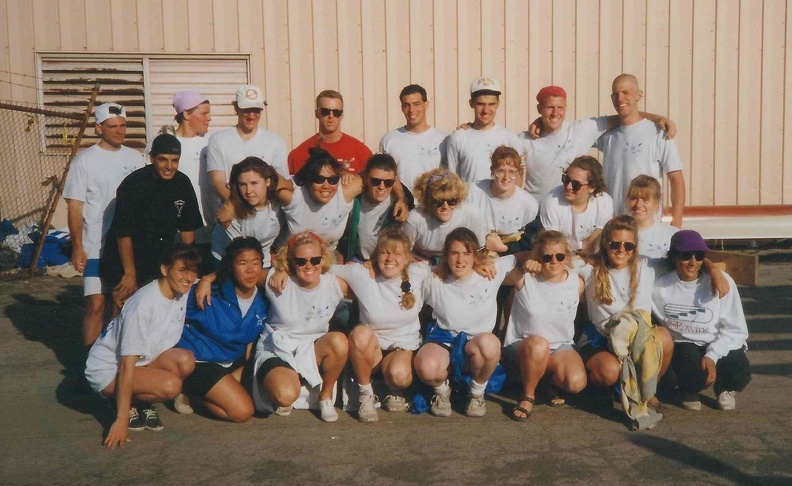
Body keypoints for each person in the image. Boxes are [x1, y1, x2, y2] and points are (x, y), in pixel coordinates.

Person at [85, 244, 200, 449]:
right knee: (171, 386)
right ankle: (122, 405)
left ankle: (139, 400)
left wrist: (208, 280)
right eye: (183, 270)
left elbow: (210, 279)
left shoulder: (181, 289)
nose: (189, 278)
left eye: (193, 271)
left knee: (186, 360)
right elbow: (126, 365)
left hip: (141, 363)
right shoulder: (143, 305)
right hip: (109, 370)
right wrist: (121, 422)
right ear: (165, 269)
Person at [63, 102, 144, 373]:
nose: (119, 131)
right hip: (95, 246)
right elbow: (75, 207)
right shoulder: (84, 161)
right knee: (96, 303)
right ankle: (88, 366)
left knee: (120, 303)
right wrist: (77, 246)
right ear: (99, 128)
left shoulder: (136, 158)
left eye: (123, 126)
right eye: (113, 126)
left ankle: (112, 363)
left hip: (125, 247)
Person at [414, 228, 520, 417]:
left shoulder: (490, 272)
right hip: (445, 338)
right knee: (426, 366)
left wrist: (533, 260)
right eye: (454, 253)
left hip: (477, 343)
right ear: (446, 255)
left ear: (475, 255)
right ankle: (442, 392)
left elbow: (522, 257)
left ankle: (476, 394)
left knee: (490, 344)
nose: (460, 260)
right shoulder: (433, 278)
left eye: (466, 253)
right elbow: (404, 264)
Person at [332, 229, 431, 422]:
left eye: (397, 253)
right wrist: (282, 271)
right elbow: (322, 267)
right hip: (371, 348)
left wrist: (484, 262)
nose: (390, 258)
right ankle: (365, 393)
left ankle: (393, 389)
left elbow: (448, 267)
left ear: (407, 259)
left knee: (399, 375)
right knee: (360, 334)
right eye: (385, 252)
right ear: (376, 255)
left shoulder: (418, 273)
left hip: (402, 345)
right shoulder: (362, 273)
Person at [252, 232, 350, 422]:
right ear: (291, 261)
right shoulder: (275, 280)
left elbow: (369, 289)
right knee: (285, 396)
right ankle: (286, 383)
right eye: (301, 261)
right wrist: (207, 280)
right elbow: (243, 274)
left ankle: (325, 397)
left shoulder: (334, 284)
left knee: (339, 341)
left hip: (311, 349)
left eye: (315, 260)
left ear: (323, 259)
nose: (309, 266)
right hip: (277, 348)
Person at [100, 133, 203, 310]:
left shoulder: (182, 183)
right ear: (151, 158)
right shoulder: (133, 184)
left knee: (159, 308)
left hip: (160, 258)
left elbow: (187, 234)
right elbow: (123, 233)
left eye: (175, 160)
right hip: (126, 259)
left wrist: (186, 268)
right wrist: (129, 274)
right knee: (124, 306)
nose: (169, 166)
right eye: (163, 160)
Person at [521, 85, 676, 201]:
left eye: (560, 107)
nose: (555, 113)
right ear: (539, 109)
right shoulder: (525, 140)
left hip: (569, 213)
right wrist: (540, 122)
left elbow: (627, 115)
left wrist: (657, 118)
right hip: (536, 216)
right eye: (549, 108)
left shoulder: (581, 130)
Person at [652, 230, 751, 411]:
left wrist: (712, 355)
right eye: (685, 256)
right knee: (693, 376)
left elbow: (735, 329)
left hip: (717, 341)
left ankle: (724, 386)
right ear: (673, 257)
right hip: (684, 343)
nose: (693, 262)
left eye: (698, 256)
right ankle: (688, 388)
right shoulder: (659, 286)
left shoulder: (721, 282)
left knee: (739, 373)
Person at [175, 237, 267, 423]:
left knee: (265, 397)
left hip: (231, 362)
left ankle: (209, 391)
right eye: (242, 263)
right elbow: (168, 298)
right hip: (200, 362)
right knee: (242, 412)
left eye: (255, 263)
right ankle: (189, 393)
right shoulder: (211, 292)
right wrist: (206, 279)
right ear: (231, 266)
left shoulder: (264, 299)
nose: (250, 270)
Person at [503, 230, 587, 420]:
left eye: (560, 256)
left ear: (567, 258)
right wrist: (526, 259)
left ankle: (546, 381)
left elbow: (593, 265)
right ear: (538, 257)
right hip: (524, 345)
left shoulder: (577, 283)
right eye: (547, 257)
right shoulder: (524, 278)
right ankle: (528, 394)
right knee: (539, 345)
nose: (554, 261)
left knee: (575, 383)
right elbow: (495, 268)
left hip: (560, 346)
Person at [597, 74, 685, 227]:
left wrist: (676, 221)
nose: (620, 98)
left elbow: (676, 179)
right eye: (616, 94)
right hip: (614, 225)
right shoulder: (606, 135)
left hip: (647, 225)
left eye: (626, 92)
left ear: (639, 95)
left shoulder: (658, 133)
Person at [206, 84, 289, 216]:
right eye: (246, 110)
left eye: (256, 110)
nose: (251, 116)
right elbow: (219, 184)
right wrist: (241, 208)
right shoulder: (218, 140)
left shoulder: (275, 141)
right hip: (234, 216)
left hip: (268, 218)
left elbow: (280, 182)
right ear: (236, 108)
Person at [403, 168, 499, 263]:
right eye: (438, 202)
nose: (445, 206)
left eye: (451, 201)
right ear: (427, 201)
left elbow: (480, 249)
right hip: (421, 262)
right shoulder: (415, 219)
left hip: (460, 262)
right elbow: (404, 252)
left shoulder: (471, 214)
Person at [210, 157, 292, 268]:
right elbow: (241, 250)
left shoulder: (279, 200)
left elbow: (293, 185)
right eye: (242, 184)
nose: (248, 191)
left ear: (267, 181)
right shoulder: (230, 212)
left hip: (267, 258)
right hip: (231, 259)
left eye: (254, 183)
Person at [445, 77, 523, 183]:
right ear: (471, 103)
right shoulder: (458, 138)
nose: (486, 110)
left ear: (498, 104)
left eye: (491, 104)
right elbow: (452, 179)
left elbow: (517, 179)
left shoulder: (510, 139)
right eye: (480, 104)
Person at [167, 91, 213, 266]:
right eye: (204, 113)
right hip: (176, 235)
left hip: (209, 232)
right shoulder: (165, 143)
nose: (209, 118)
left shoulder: (212, 143)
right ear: (186, 114)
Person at [378, 84, 448, 193]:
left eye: (416, 104)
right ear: (402, 108)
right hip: (401, 201)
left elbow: (451, 177)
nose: (411, 110)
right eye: (406, 105)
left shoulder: (443, 140)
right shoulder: (389, 140)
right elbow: (383, 176)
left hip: (433, 202)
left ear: (426, 105)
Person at [339, 154, 407, 262]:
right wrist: (341, 172)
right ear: (366, 179)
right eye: (375, 181)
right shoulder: (354, 201)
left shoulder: (401, 204)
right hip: (356, 260)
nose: (381, 187)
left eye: (388, 182)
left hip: (388, 263)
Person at [540, 156, 614, 255]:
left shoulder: (604, 202)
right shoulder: (551, 202)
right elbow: (553, 244)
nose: (568, 187)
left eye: (576, 185)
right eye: (566, 180)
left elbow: (598, 237)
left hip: (593, 256)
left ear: (592, 187)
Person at [288, 90, 373, 175]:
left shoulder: (362, 152)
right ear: (317, 113)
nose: (331, 116)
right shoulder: (298, 155)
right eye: (325, 111)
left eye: (336, 112)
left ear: (342, 115)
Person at [475, 145, 538, 254]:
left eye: (511, 172)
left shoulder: (529, 204)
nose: (506, 177)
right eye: (501, 171)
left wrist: (502, 249)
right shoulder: (474, 192)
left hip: (511, 255)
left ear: (518, 173)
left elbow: (527, 245)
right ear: (492, 170)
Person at [628, 175, 679, 267]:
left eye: (645, 200)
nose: (638, 204)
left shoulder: (673, 234)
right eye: (634, 198)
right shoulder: (619, 236)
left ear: (656, 203)